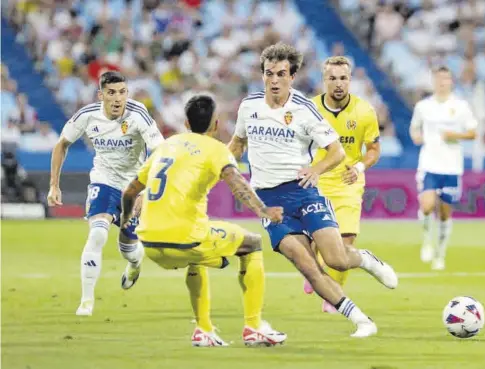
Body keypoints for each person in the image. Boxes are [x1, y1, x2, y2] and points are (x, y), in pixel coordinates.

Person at [228, 42, 398, 338]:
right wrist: (221, 162)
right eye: (269, 74)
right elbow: (238, 144)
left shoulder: (305, 110)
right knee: (307, 265)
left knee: (337, 259)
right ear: (263, 75)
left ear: (292, 77)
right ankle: (361, 320)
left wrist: (315, 170)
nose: (275, 80)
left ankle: (367, 260)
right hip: (268, 201)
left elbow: (337, 153)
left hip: (303, 193)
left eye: (282, 73)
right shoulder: (248, 107)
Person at [120, 95, 287, 347]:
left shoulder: (166, 145)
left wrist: (125, 219)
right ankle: (253, 327)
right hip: (186, 239)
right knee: (252, 243)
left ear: (186, 123)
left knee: (197, 257)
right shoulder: (216, 149)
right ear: (216, 125)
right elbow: (236, 181)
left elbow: (130, 191)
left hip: (150, 243)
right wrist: (262, 210)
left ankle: (204, 330)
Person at [47, 71, 165, 316]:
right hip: (104, 180)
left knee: (128, 249)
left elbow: (160, 152)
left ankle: (134, 264)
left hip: (133, 186)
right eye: (111, 93)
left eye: (122, 92)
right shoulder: (87, 116)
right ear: (101, 95)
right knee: (98, 233)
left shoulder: (138, 114)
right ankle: (86, 302)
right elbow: (61, 144)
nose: (117, 98)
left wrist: (144, 189)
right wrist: (54, 185)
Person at [302, 56, 382, 314]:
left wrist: (359, 167)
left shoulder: (364, 111)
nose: (338, 84)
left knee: (345, 242)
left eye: (343, 78)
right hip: (317, 182)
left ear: (350, 80)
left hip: (349, 182)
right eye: (332, 78)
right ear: (324, 80)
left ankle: (332, 297)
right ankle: (314, 270)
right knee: (315, 242)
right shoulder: (310, 109)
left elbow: (373, 149)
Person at [410, 66, 477, 270]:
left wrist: (453, 135)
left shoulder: (461, 106)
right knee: (427, 205)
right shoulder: (423, 106)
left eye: (446, 78)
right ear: (433, 81)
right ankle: (427, 241)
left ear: (451, 81)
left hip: (451, 167)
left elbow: (473, 132)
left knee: (445, 213)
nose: (442, 82)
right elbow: (414, 128)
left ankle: (440, 253)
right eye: (439, 78)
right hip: (429, 163)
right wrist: (416, 137)